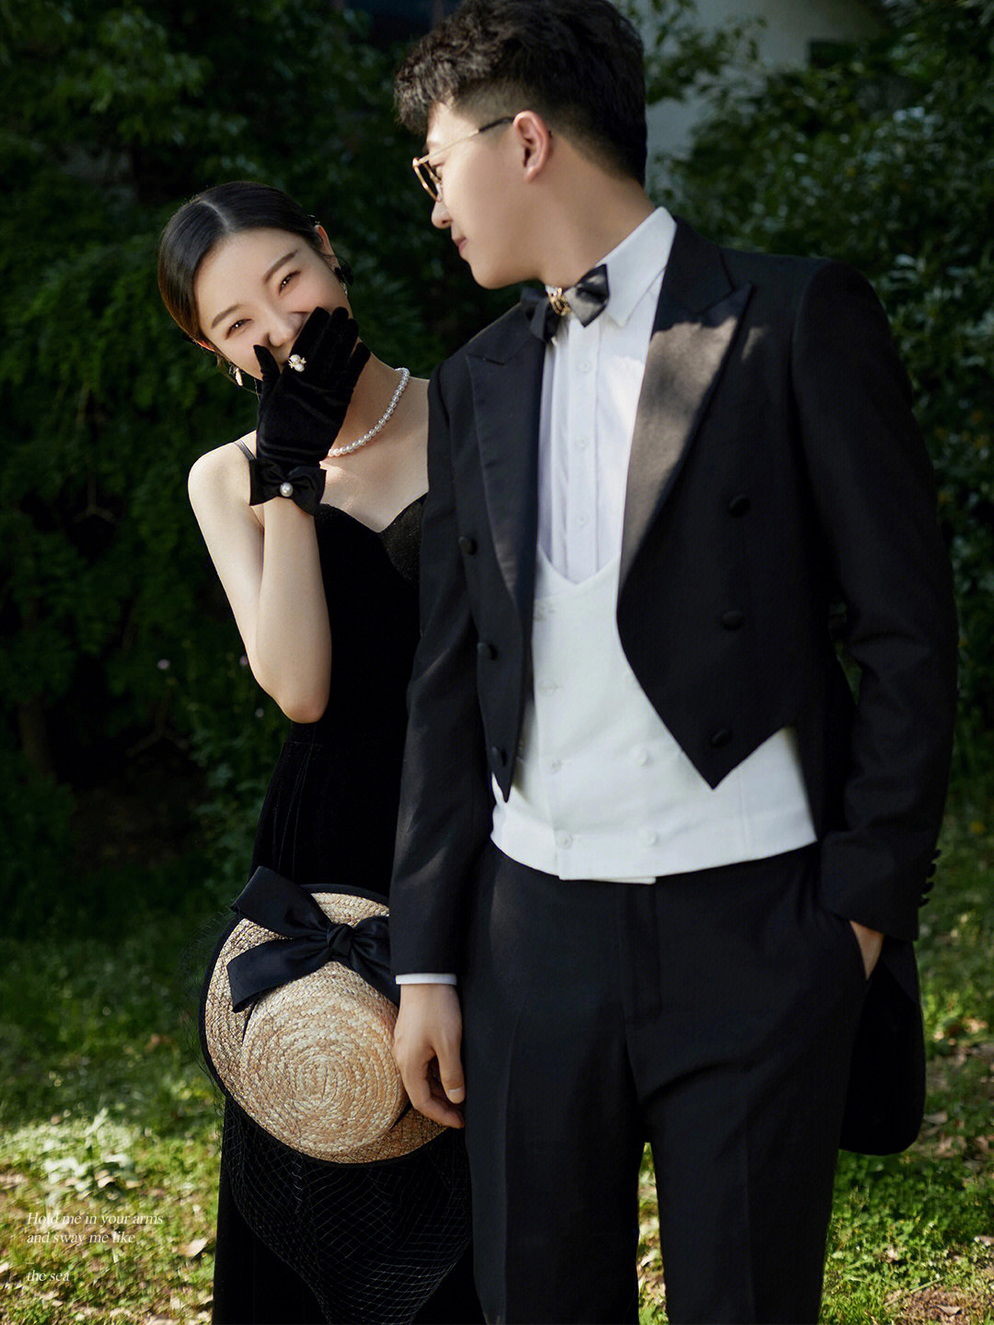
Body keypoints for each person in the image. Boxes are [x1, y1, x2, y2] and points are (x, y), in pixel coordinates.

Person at [386, 3, 960, 1322]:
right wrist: (426, 964)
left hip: (759, 930)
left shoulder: (790, 320)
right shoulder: (474, 381)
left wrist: (858, 915)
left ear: (524, 140)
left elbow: (907, 634)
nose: (435, 207)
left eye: (436, 165)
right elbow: (446, 685)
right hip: (529, 942)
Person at [157, 181, 481, 1325]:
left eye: (288, 279)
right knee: (330, 1143)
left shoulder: (473, 409)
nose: (280, 326)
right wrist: (287, 479)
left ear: (330, 254)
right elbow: (300, 688)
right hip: (330, 846)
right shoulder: (224, 476)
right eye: (236, 322)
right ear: (212, 351)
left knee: (476, 1165)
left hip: (477, 824)